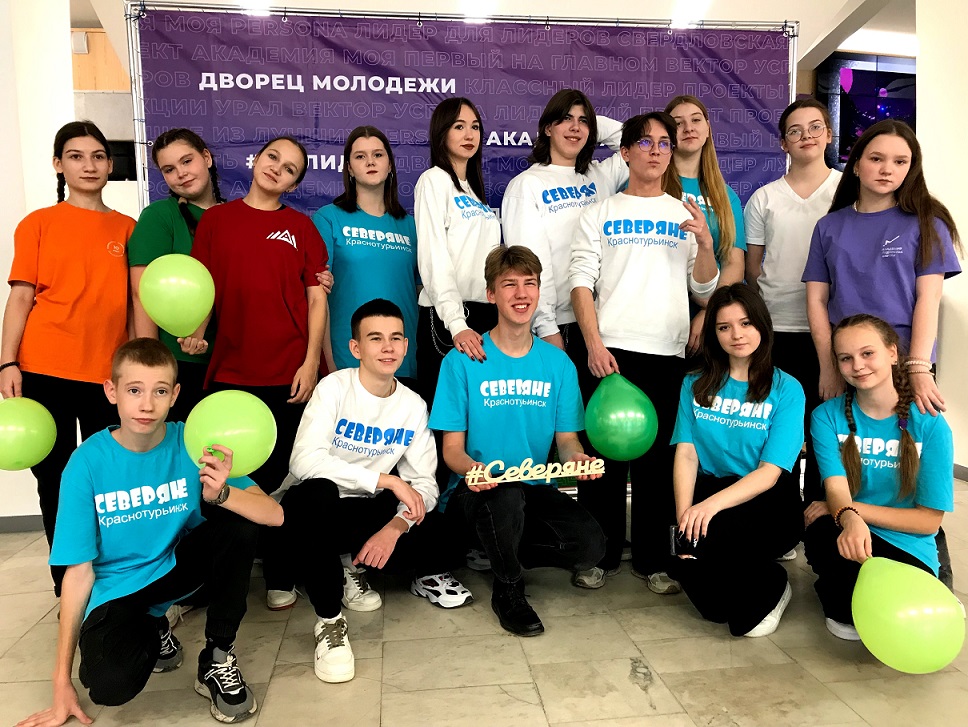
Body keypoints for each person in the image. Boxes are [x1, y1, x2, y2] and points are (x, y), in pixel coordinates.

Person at [17, 338, 284, 727]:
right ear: (112, 392)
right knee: (109, 686)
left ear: (175, 395)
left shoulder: (191, 442)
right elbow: (78, 573)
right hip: (118, 588)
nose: (146, 405)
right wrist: (61, 681)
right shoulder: (85, 463)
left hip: (178, 570)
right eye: (134, 390)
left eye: (159, 391)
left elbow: (274, 515)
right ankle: (153, 625)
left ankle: (217, 656)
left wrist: (222, 494)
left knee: (238, 522)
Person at [268, 299, 471, 683]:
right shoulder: (334, 387)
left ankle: (348, 562)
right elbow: (304, 462)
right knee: (319, 494)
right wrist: (386, 480)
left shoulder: (412, 405)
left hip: (361, 511)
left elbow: (424, 484)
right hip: (309, 510)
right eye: (375, 338)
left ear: (406, 346)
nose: (388, 347)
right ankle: (329, 621)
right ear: (356, 347)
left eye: (396, 338)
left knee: (445, 533)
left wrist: (395, 527)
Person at [569, 112, 719, 591]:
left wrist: (705, 243)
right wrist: (593, 343)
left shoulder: (684, 214)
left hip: (666, 353)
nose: (655, 151)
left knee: (657, 464)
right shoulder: (599, 212)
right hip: (609, 352)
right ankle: (599, 556)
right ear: (625, 152)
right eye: (645, 142)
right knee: (603, 460)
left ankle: (654, 561)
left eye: (664, 143)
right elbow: (580, 283)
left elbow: (705, 289)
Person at [430, 246, 605, 636]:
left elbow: (567, 440)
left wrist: (576, 458)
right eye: (509, 284)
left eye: (530, 283)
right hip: (473, 492)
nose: (521, 294)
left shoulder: (558, 364)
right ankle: (508, 588)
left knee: (590, 546)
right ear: (491, 294)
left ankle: (497, 547)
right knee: (505, 495)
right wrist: (474, 471)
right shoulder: (461, 361)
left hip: (531, 486)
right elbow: (452, 451)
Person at [0, 121, 135, 596]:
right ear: (59, 164)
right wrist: (7, 362)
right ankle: (69, 588)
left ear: (110, 165)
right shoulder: (37, 224)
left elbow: (135, 306)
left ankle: (114, 582)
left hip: (106, 375)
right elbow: (21, 298)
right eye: (76, 156)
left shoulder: (127, 228)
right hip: (43, 368)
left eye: (98, 156)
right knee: (55, 481)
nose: (88, 165)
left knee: (110, 480)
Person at [186, 135, 328, 505]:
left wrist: (311, 363)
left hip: (288, 371)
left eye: (289, 169)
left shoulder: (302, 228)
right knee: (224, 474)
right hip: (230, 368)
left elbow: (317, 299)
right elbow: (204, 288)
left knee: (278, 474)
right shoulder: (215, 220)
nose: (276, 168)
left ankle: (271, 537)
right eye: (272, 157)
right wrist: (195, 332)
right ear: (256, 159)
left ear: (293, 185)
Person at [803, 315, 953, 640]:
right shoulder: (825, 417)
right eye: (846, 358)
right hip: (849, 533)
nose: (857, 365)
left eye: (867, 353)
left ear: (893, 353)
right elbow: (836, 488)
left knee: (905, 623)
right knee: (821, 533)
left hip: (906, 543)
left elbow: (928, 521)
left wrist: (849, 510)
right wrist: (848, 517)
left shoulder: (930, 424)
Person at [668, 284, 805, 637]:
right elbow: (687, 453)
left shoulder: (787, 388)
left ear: (762, 325)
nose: (736, 335)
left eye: (745, 323)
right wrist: (685, 521)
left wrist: (707, 509)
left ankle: (776, 582)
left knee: (745, 622)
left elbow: (770, 473)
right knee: (713, 610)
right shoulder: (694, 384)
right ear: (714, 333)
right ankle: (727, 563)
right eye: (724, 327)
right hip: (712, 490)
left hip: (767, 500)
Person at [803, 119, 962, 413]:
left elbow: (929, 298)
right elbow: (816, 300)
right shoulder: (828, 227)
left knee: (905, 440)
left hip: (904, 360)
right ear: (856, 165)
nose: (887, 169)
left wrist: (919, 367)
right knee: (839, 439)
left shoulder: (927, 223)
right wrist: (829, 365)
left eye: (900, 162)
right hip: (848, 361)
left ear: (911, 168)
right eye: (876, 159)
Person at [744, 99, 842, 509]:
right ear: (783, 142)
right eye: (795, 130)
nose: (806, 136)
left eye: (815, 127)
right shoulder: (764, 198)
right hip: (777, 329)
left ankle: (821, 513)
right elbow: (752, 270)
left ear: (829, 135)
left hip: (833, 331)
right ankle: (779, 517)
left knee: (827, 428)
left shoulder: (846, 191)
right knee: (775, 428)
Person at [501, 88, 628, 352]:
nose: (575, 127)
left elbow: (637, 140)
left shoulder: (600, 175)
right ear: (548, 128)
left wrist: (589, 128)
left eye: (583, 120)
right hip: (560, 326)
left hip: (605, 322)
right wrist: (547, 328)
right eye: (566, 119)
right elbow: (531, 263)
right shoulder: (527, 185)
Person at [128, 129, 225, 423]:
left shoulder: (234, 216)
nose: (181, 173)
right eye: (169, 169)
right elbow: (142, 293)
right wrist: (151, 365)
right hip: (177, 363)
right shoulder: (160, 216)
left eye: (187, 161)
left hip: (230, 363)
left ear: (206, 158)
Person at [313, 126, 419, 383]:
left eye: (378, 155)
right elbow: (318, 294)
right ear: (349, 168)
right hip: (347, 358)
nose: (370, 162)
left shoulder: (411, 226)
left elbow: (420, 293)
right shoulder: (328, 218)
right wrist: (328, 360)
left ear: (390, 165)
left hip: (403, 361)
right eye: (360, 156)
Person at [414, 97, 501, 407]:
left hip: (486, 314)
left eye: (475, 127)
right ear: (442, 133)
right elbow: (433, 259)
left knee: (480, 417)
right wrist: (457, 324)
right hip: (449, 319)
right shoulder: (433, 180)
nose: (469, 134)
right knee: (448, 420)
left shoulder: (474, 191)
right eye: (459, 126)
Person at [664, 95, 747, 355]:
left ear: (708, 129)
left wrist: (710, 312)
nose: (688, 128)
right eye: (678, 123)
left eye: (696, 120)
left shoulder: (725, 195)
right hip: (661, 314)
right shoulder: (650, 185)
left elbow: (734, 262)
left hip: (712, 319)